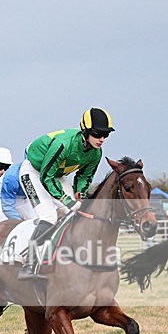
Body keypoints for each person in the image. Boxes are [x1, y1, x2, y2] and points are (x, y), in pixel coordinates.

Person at [17, 107, 113, 280]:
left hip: (57, 175)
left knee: (79, 210)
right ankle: (28, 264)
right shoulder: (64, 144)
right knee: (49, 216)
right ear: (86, 131)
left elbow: (84, 177)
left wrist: (79, 193)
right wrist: (65, 200)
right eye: (98, 134)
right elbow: (46, 177)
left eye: (106, 135)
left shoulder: (96, 153)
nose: (102, 139)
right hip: (35, 172)